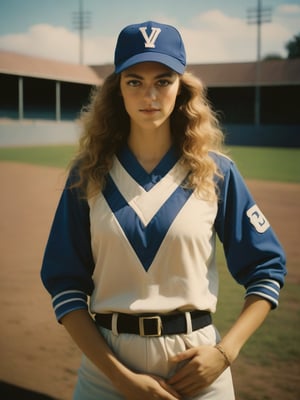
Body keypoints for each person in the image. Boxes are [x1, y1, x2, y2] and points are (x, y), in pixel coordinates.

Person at [41, 21, 286, 399]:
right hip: (106, 373)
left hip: (199, 373)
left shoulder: (217, 172)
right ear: (117, 90)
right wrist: (120, 378)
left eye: (163, 80)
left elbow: (266, 269)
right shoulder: (87, 174)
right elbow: (65, 284)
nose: (149, 94)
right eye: (135, 81)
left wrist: (225, 352)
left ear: (181, 87)